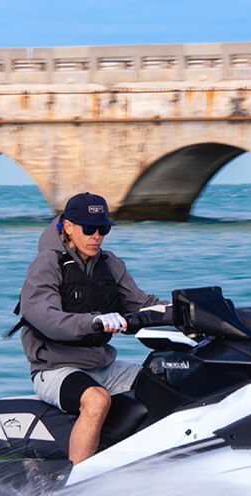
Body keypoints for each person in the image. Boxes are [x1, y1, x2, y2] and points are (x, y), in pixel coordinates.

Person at [15, 192, 166, 464]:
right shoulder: (47, 264)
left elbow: (143, 304)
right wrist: (95, 321)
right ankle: (80, 479)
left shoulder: (109, 264)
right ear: (68, 227)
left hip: (102, 365)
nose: (96, 236)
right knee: (96, 400)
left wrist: (187, 309)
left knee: (167, 381)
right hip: (55, 369)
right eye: (88, 229)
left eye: (103, 229)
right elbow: (46, 318)